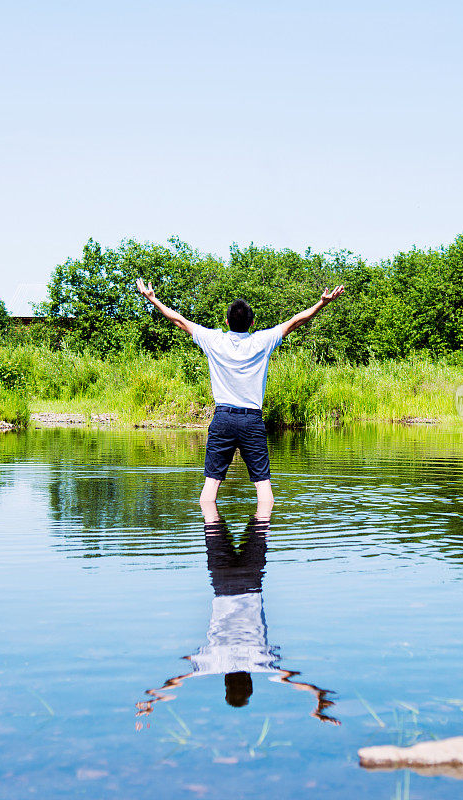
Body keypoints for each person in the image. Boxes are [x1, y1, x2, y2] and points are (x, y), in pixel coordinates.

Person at [135, 279, 344, 505]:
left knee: (211, 485)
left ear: (226, 321)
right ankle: (261, 533)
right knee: (263, 486)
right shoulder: (262, 341)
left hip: (222, 419)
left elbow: (179, 320)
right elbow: (295, 322)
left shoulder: (213, 340)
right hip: (252, 420)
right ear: (252, 323)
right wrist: (322, 303)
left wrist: (153, 300)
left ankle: (212, 531)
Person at [136, 502, 339, 725]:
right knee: (212, 521)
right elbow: (178, 680)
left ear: (250, 683)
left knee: (261, 521)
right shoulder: (212, 664)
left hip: (250, 579)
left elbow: (293, 679)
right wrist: (153, 698)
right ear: (226, 684)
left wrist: (318, 697)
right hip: (222, 581)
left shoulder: (261, 663)